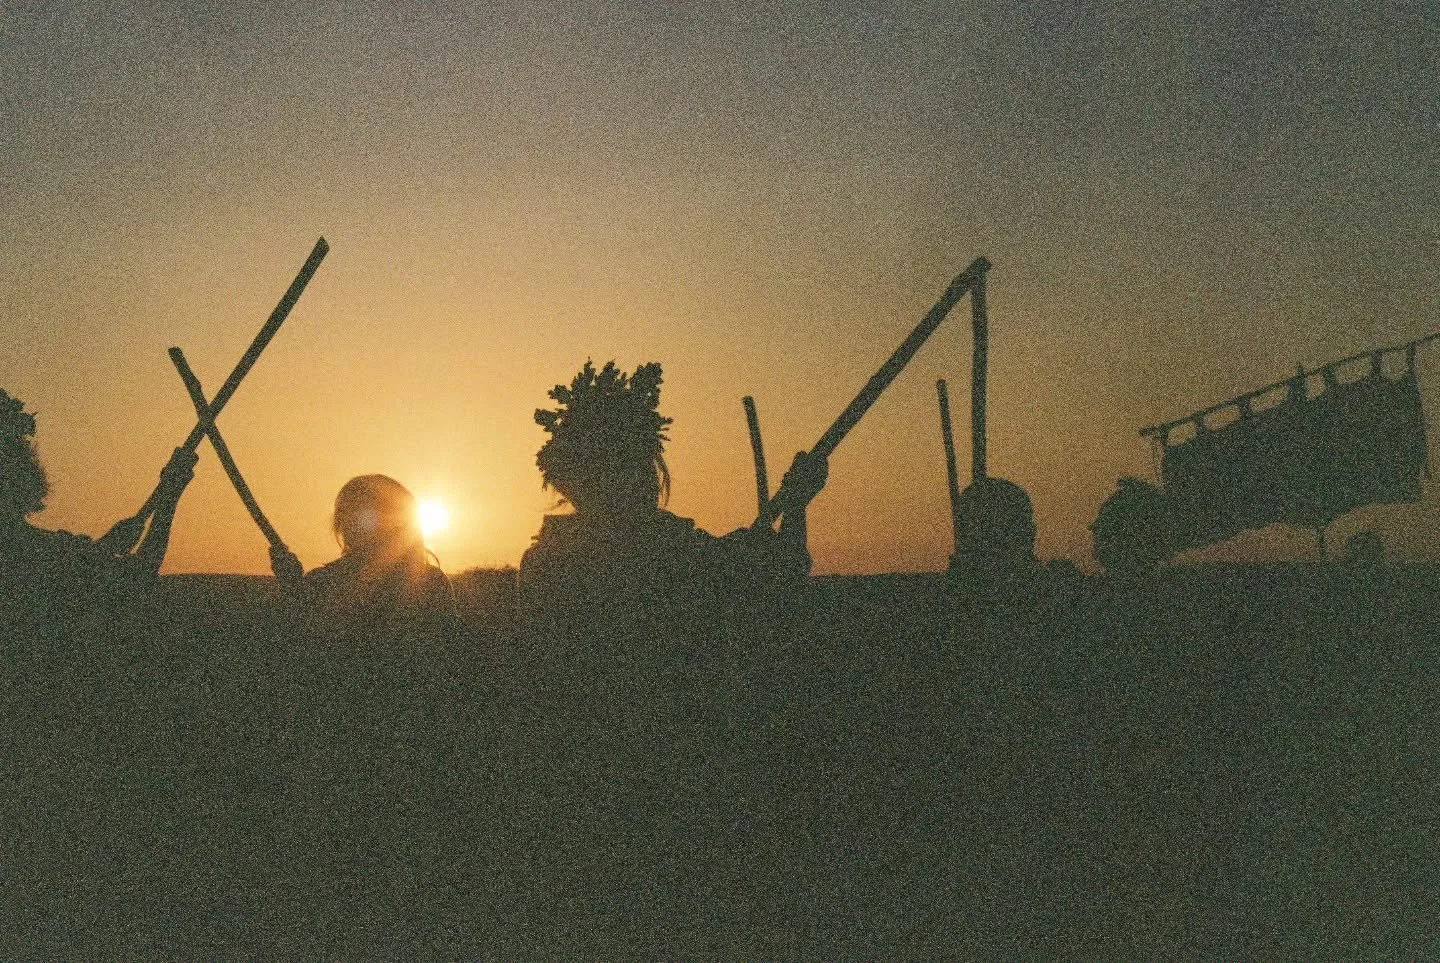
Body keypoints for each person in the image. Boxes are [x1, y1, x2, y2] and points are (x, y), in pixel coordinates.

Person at [518, 360, 828, 611]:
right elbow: (784, 576)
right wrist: (797, 502)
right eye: (635, 467)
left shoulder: (543, 564)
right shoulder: (674, 556)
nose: (646, 481)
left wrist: (793, 504)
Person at [0, 387, 196, 603]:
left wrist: (105, 547)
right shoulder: (39, 554)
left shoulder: (45, 551)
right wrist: (169, 496)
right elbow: (139, 578)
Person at [269, 474, 458, 633]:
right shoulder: (432, 583)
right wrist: (293, 585)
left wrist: (292, 586)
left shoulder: (324, 582)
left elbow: (299, 639)